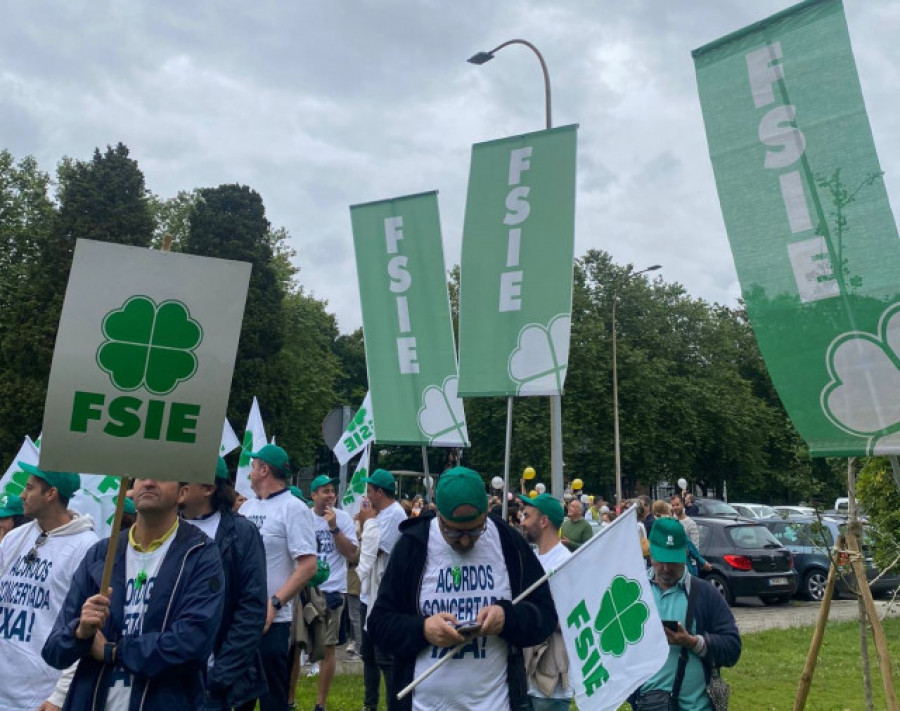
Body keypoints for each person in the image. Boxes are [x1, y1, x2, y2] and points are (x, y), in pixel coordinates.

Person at [367, 466, 558, 711]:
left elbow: (545, 616)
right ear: (438, 516)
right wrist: (422, 629)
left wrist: (507, 618)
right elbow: (379, 625)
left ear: (486, 512)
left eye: (476, 529)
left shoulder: (508, 543)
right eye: (453, 532)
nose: (466, 540)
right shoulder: (413, 546)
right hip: (424, 705)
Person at [42, 477, 224, 709]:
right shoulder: (100, 554)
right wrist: (80, 632)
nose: (148, 482)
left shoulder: (199, 554)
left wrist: (114, 652)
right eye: (141, 475)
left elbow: (193, 643)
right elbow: (54, 651)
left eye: (161, 474)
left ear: (183, 493)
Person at [0, 465, 97, 711]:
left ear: (51, 494)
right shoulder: (15, 537)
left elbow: (86, 628)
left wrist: (59, 696)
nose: (22, 495)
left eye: (30, 488)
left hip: (39, 698)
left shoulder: (87, 547)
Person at [180, 457, 268, 710]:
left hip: (220, 683)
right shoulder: (167, 529)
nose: (177, 485)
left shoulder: (241, 533)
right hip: (173, 676)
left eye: (186, 481)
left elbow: (251, 608)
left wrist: (219, 676)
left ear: (209, 488)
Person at [238, 444, 318, 711]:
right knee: (239, 698)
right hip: (241, 620)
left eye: (253, 467)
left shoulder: (293, 508)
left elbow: (308, 566)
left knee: (272, 699)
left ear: (264, 470)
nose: (249, 473)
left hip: (272, 622)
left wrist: (274, 603)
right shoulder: (246, 509)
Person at [631, 518, 741, 710]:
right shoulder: (635, 592)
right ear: (650, 554)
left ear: (685, 554)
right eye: (661, 560)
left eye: (673, 562)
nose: (666, 568)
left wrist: (692, 642)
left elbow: (732, 649)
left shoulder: (706, 594)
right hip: (649, 705)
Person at [519, 493, 573, 710]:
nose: (522, 522)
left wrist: (536, 614)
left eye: (527, 516)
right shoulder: (532, 559)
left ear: (543, 522)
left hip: (552, 682)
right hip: (529, 677)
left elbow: (571, 620)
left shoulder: (565, 562)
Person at [309, 474, 359, 711]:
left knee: (328, 647)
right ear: (313, 495)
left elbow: (351, 555)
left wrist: (334, 528)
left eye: (332, 491)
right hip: (307, 590)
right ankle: (288, 700)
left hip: (332, 591)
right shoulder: (304, 518)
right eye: (324, 491)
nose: (330, 495)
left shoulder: (344, 519)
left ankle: (321, 703)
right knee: (297, 645)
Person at [357, 468, 406, 711]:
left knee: (384, 657)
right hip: (370, 593)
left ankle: (392, 705)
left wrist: (367, 523)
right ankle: (369, 704)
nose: (366, 496)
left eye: (369, 491)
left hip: (384, 595)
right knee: (368, 654)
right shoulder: (380, 514)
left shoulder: (395, 514)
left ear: (379, 492)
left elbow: (375, 548)